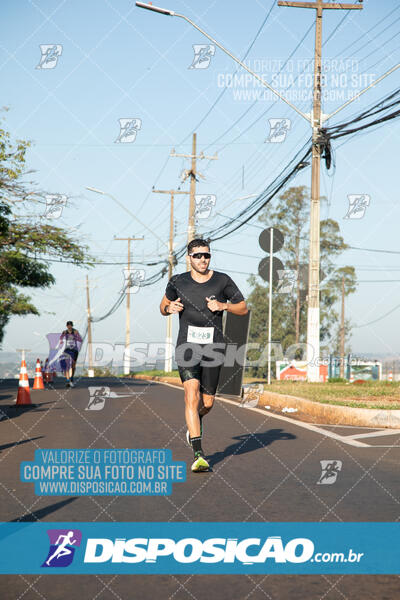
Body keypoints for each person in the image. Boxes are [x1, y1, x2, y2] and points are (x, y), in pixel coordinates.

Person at [160, 238, 248, 473]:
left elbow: (243, 307)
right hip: (187, 347)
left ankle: (194, 424)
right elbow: (163, 306)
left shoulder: (222, 281)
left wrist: (223, 306)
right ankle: (199, 454)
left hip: (214, 348)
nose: (202, 259)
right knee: (191, 395)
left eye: (206, 255)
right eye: (198, 255)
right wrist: (170, 309)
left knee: (207, 403)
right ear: (189, 257)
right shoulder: (177, 281)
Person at [59, 321, 82, 388]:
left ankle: (71, 379)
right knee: (67, 365)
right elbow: (61, 338)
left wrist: (77, 339)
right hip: (67, 350)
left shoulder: (75, 332)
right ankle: (68, 380)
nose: (69, 327)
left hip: (74, 350)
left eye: (70, 325)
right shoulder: (64, 332)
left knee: (73, 366)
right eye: (68, 326)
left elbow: (80, 339)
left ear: (72, 326)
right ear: (66, 326)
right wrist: (61, 341)